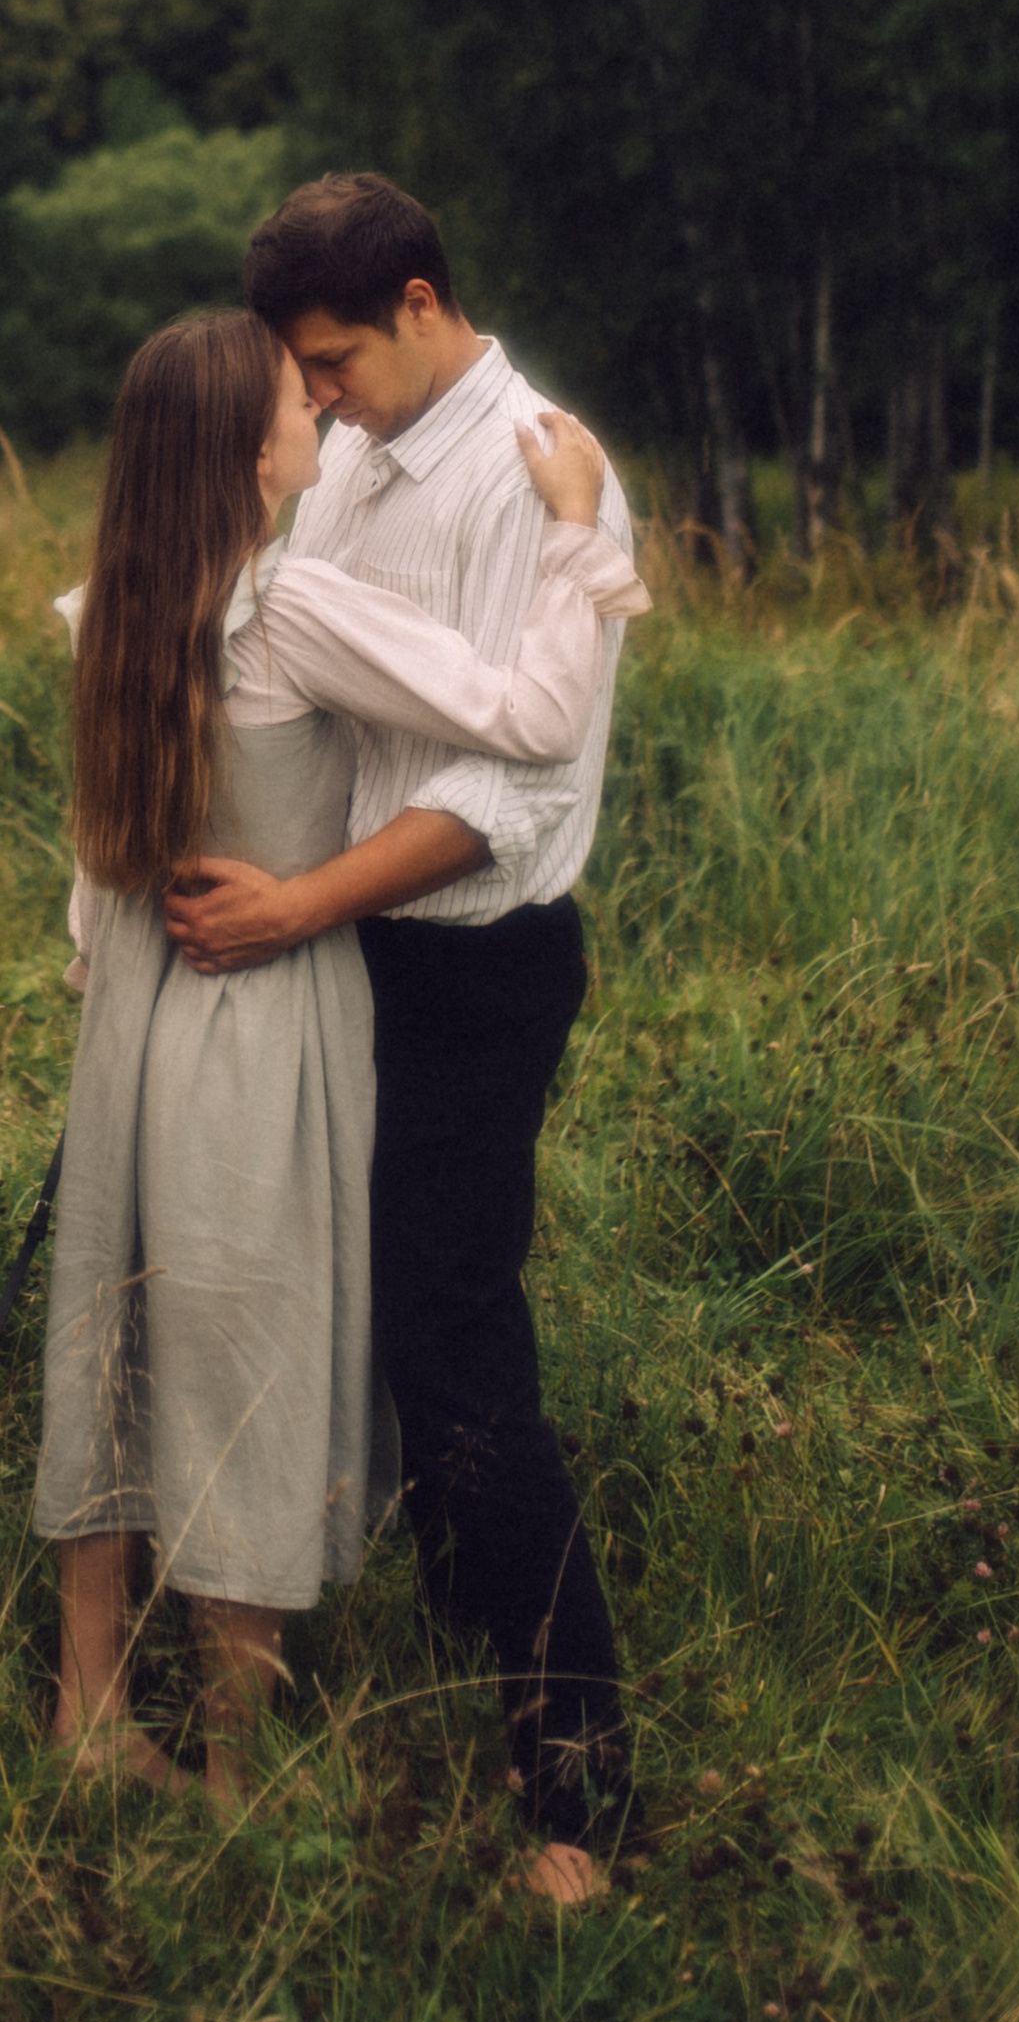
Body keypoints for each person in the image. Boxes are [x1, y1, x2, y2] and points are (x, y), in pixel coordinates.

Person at [35, 304, 646, 1810]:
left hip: (136, 1002)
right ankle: (238, 1760)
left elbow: (88, 864)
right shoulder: (287, 607)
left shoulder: (112, 601)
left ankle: (90, 1704)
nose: (320, 409)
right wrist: (578, 540)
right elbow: (538, 713)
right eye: (293, 401)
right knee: (250, 1343)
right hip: (266, 1005)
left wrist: (104, 955)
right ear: (257, 457)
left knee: (109, 1318)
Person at [165, 178, 639, 1903]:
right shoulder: (352, 450)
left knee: (457, 1340)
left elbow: (508, 783)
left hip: (470, 959)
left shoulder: (544, 475)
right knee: (346, 1305)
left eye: (336, 359)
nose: (322, 395)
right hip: (346, 955)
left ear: (422, 303)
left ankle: (579, 1787)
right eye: (307, 373)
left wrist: (294, 908)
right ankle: (434, 1635)